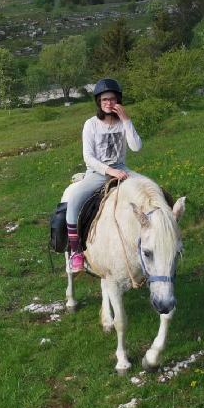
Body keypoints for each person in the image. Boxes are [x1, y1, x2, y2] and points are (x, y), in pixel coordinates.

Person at [66, 78, 142, 271]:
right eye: (104, 99)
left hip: (122, 169)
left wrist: (126, 120)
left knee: (151, 189)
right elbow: (88, 157)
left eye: (112, 99)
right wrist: (110, 171)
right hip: (98, 172)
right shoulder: (91, 124)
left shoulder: (123, 123)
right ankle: (75, 251)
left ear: (118, 101)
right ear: (99, 102)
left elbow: (136, 147)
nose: (109, 103)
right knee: (74, 199)